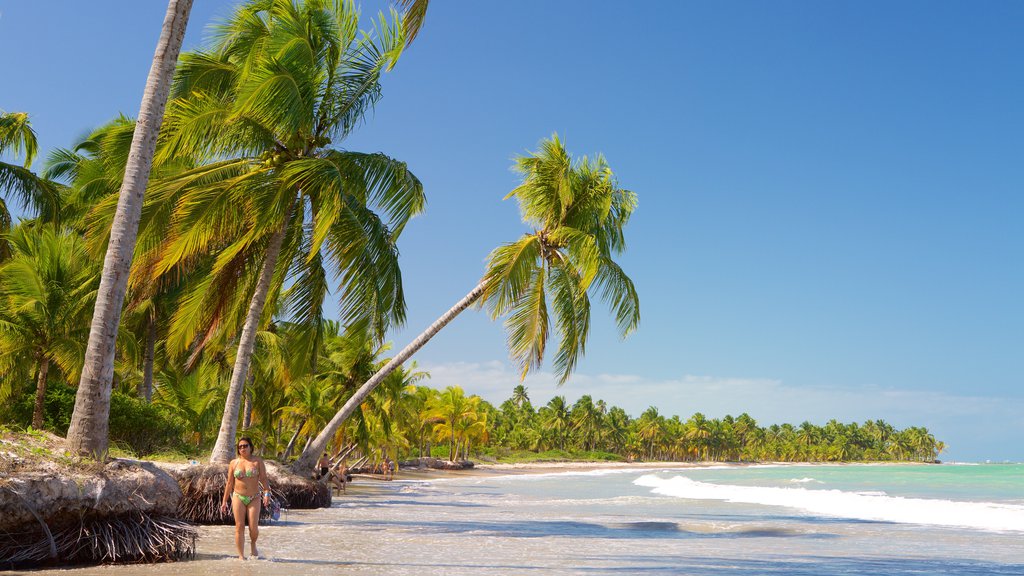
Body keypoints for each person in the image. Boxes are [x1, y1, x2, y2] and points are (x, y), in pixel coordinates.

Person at [220, 437, 271, 560]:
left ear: (251, 447)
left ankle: (253, 544)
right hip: (238, 496)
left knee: (253, 527)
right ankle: (241, 556)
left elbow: (263, 479)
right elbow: (229, 483)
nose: (242, 448)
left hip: (254, 497)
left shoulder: (257, 461)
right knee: (239, 526)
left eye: (245, 445)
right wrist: (224, 502)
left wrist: (267, 493)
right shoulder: (234, 463)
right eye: (240, 446)